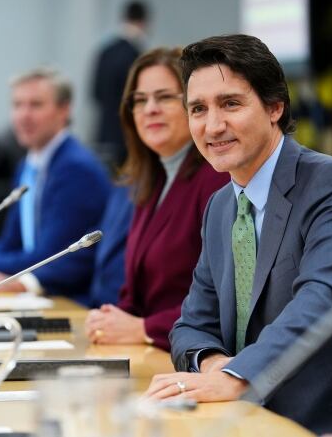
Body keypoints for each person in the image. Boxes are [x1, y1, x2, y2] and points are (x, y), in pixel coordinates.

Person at [144, 35, 332, 433]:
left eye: (231, 103)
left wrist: (236, 376)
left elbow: (323, 300)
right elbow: (192, 324)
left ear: (275, 107)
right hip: (256, 414)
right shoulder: (220, 207)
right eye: (198, 109)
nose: (213, 125)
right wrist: (215, 366)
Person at [84, 47, 229, 350]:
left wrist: (143, 328)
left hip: (196, 355)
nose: (150, 109)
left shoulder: (218, 178)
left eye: (164, 97)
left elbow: (226, 299)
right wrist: (113, 318)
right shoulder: (150, 179)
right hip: (152, 351)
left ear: (195, 106)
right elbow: (136, 291)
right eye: (140, 100)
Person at [0, 68, 111, 305]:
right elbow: (12, 243)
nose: (24, 115)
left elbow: (49, 257)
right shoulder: (27, 164)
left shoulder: (75, 168)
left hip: (68, 300)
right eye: (17, 105)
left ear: (64, 110)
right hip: (36, 296)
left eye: (36, 105)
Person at [91, 0, 149, 169]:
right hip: (128, 137)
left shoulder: (105, 51)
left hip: (103, 133)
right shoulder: (136, 56)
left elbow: (95, 93)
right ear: (144, 22)